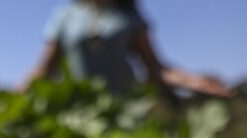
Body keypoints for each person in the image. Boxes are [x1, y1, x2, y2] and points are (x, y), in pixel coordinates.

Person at [22, 0, 231, 98]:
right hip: (77, 113)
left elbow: (156, 69)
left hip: (122, 110)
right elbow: (44, 70)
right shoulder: (66, 16)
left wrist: (195, 82)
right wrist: (12, 98)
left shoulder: (129, 16)